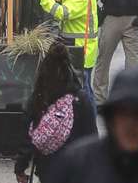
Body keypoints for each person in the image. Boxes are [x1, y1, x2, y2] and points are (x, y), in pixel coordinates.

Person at [14, 42, 98, 183]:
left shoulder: (39, 98)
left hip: (49, 169)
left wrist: (20, 167)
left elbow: (29, 137)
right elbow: (92, 137)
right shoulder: (81, 99)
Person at [36, 0, 99, 106]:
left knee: (83, 91)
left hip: (80, 47)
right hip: (81, 45)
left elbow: (62, 13)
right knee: (83, 88)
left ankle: (89, 121)